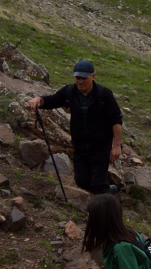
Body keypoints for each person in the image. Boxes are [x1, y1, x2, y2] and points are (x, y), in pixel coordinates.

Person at [31, 59, 123, 196]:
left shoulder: (104, 95)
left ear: (93, 76)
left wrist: (116, 145)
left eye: (83, 78)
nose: (80, 81)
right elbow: (53, 100)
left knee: (98, 182)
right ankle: (106, 192)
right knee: (81, 181)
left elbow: (116, 120)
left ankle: (105, 206)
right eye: (77, 77)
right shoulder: (70, 92)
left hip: (100, 146)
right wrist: (39, 100)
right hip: (80, 145)